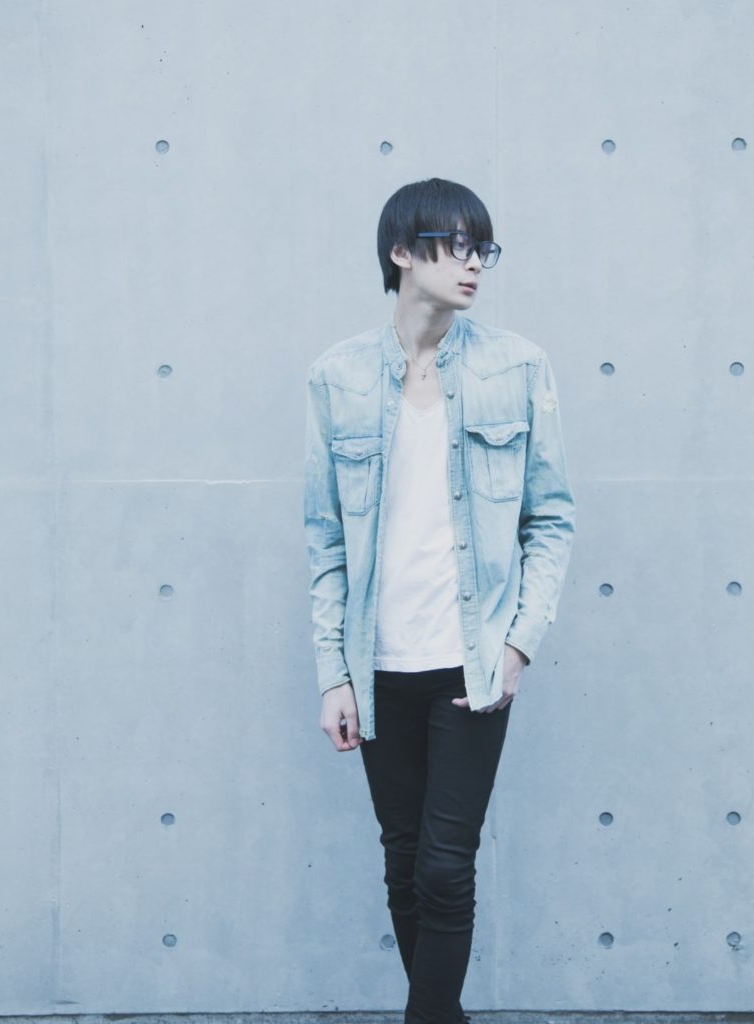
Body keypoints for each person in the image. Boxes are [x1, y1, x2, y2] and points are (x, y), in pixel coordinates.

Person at [303, 177, 575, 1024]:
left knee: (446, 867)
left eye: (481, 247)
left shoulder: (517, 367)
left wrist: (517, 646)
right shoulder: (338, 377)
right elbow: (326, 539)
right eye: (454, 245)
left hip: (470, 661)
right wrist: (333, 673)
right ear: (400, 252)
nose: (473, 263)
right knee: (403, 859)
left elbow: (551, 520)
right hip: (377, 667)